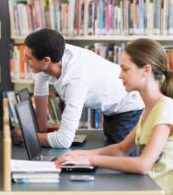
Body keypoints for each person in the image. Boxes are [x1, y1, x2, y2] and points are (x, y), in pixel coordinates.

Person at [57, 38, 173, 195]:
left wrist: (90, 160)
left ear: (146, 70)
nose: (119, 75)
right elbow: (121, 149)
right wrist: (82, 155)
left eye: (125, 69)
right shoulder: (148, 109)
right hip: (147, 186)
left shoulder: (165, 108)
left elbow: (143, 165)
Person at [23, 28, 144, 149]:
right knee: (112, 149)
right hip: (111, 110)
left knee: (123, 158)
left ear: (46, 61)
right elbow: (40, 88)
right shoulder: (53, 52)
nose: (24, 61)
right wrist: (41, 131)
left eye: (29, 58)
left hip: (128, 108)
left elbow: (63, 140)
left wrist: (28, 136)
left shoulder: (76, 80)